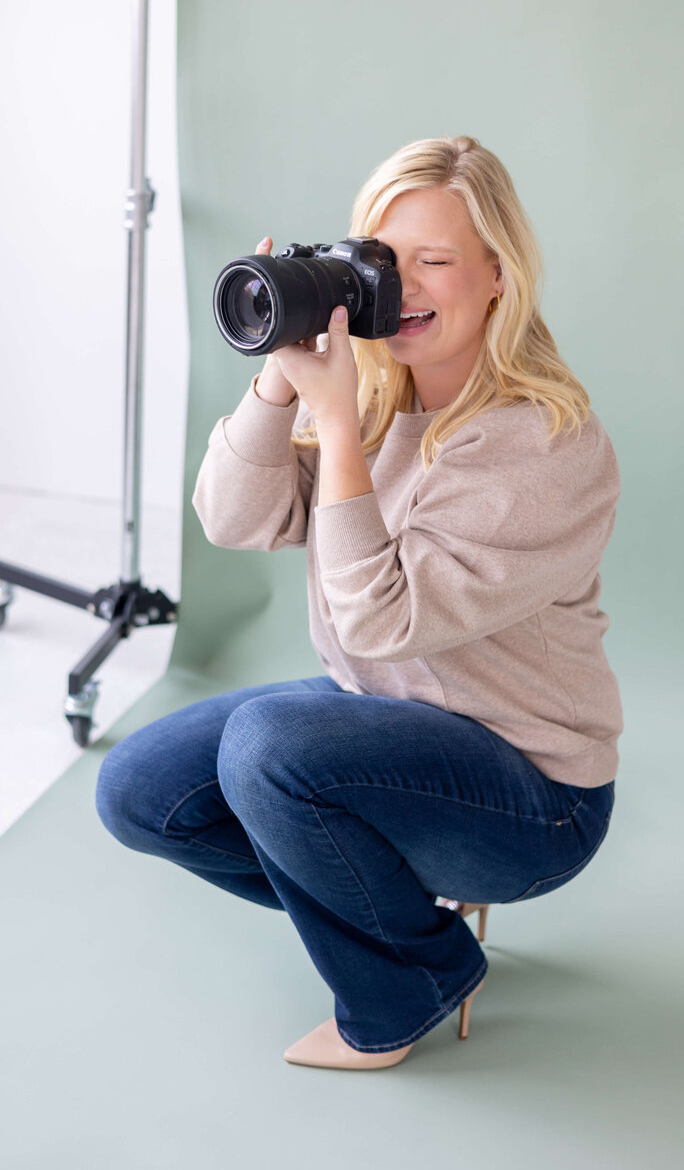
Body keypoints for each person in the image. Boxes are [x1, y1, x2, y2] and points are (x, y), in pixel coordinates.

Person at [95, 135, 623, 1071]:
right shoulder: (376, 399)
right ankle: (408, 923)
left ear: (498, 275)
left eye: (437, 260)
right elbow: (231, 517)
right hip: (381, 724)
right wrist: (275, 375)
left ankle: (402, 987)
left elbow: (381, 620)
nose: (406, 284)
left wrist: (334, 427)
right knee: (140, 791)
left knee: (269, 748)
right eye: (385, 258)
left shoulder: (545, 447)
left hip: (529, 793)